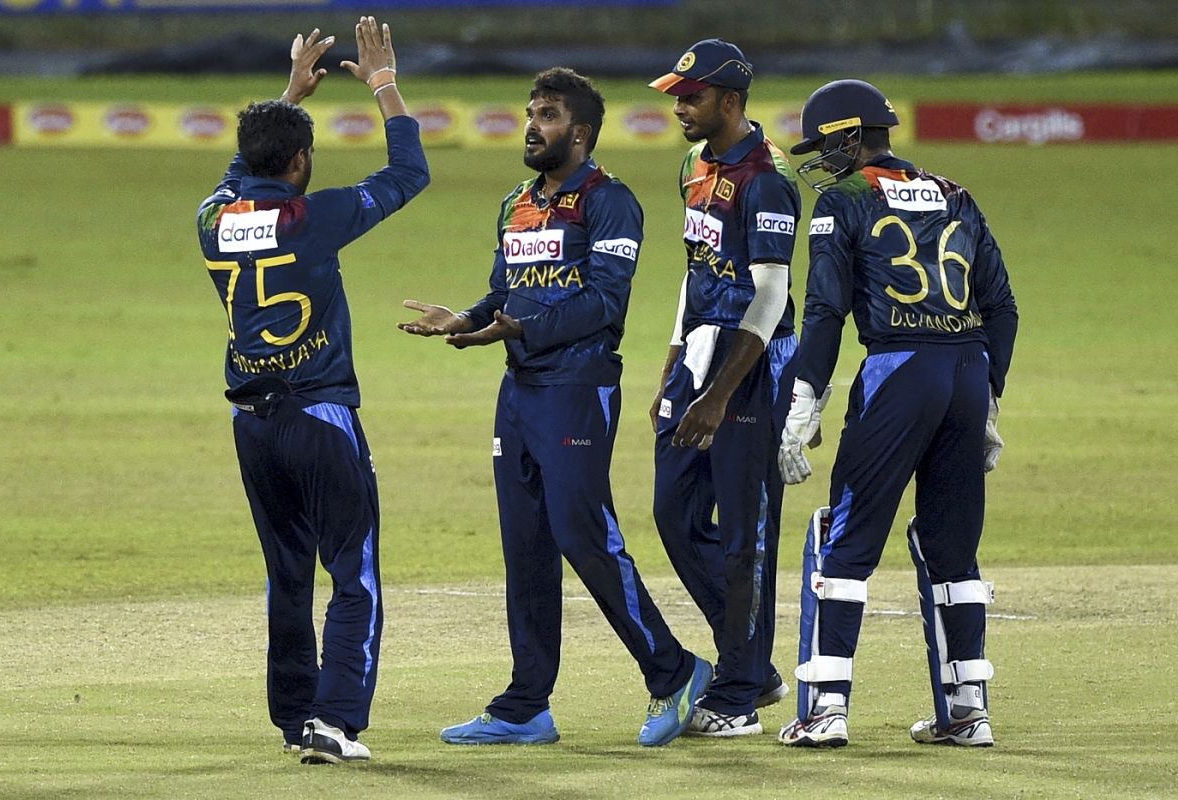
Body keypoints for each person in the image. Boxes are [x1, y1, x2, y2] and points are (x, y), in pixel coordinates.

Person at [398, 67, 711, 748]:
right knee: (527, 547)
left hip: (578, 389)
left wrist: (519, 328)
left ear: (581, 131)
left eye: (546, 114)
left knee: (583, 535)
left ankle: (676, 670)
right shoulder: (517, 201)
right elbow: (501, 292)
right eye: (531, 112)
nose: (532, 125)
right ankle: (525, 706)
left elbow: (606, 301)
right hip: (519, 395)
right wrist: (465, 318)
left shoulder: (610, 201)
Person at [195, 19, 429, 764]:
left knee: (287, 574)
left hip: (252, 426)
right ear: (301, 162)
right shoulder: (313, 218)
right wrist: (384, 85)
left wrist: (288, 93)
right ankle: (336, 721)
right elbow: (406, 177)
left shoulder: (212, 222)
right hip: (320, 415)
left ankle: (296, 716)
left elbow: (237, 177)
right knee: (353, 571)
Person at [775, 79, 1018, 748]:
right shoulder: (957, 195)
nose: (821, 158)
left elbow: (824, 311)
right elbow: (1002, 307)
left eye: (827, 144)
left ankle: (825, 710)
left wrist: (804, 400)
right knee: (950, 547)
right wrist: (990, 391)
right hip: (967, 373)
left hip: (897, 372)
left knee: (845, 538)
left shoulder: (841, 201)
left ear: (854, 137)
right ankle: (968, 713)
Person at [646, 39, 801, 737]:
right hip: (699, 357)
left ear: (730, 102)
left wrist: (718, 396)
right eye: (678, 95)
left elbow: (771, 296)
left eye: (693, 96)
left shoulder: (768, 180)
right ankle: (753, 660)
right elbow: (696, 266)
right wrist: (675, 364)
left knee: (746, 538)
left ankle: (738, 692)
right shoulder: (692, 164)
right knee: (673, 514)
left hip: (752, 368)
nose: (680, 106)